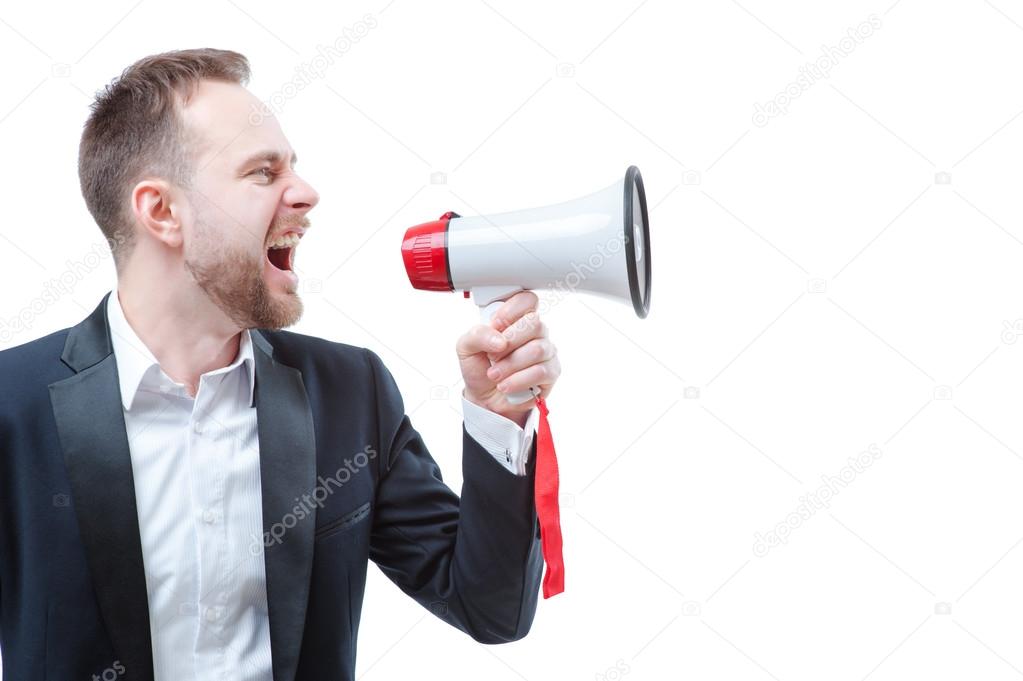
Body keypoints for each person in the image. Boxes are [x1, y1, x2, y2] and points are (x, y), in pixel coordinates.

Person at [0, 48, 561, 681]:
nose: (306, 192)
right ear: (161, 211)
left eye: (292, 166)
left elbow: (490, 610)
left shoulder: (350, 393)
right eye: (264, 173)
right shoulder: (11, 405)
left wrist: (496, 418)